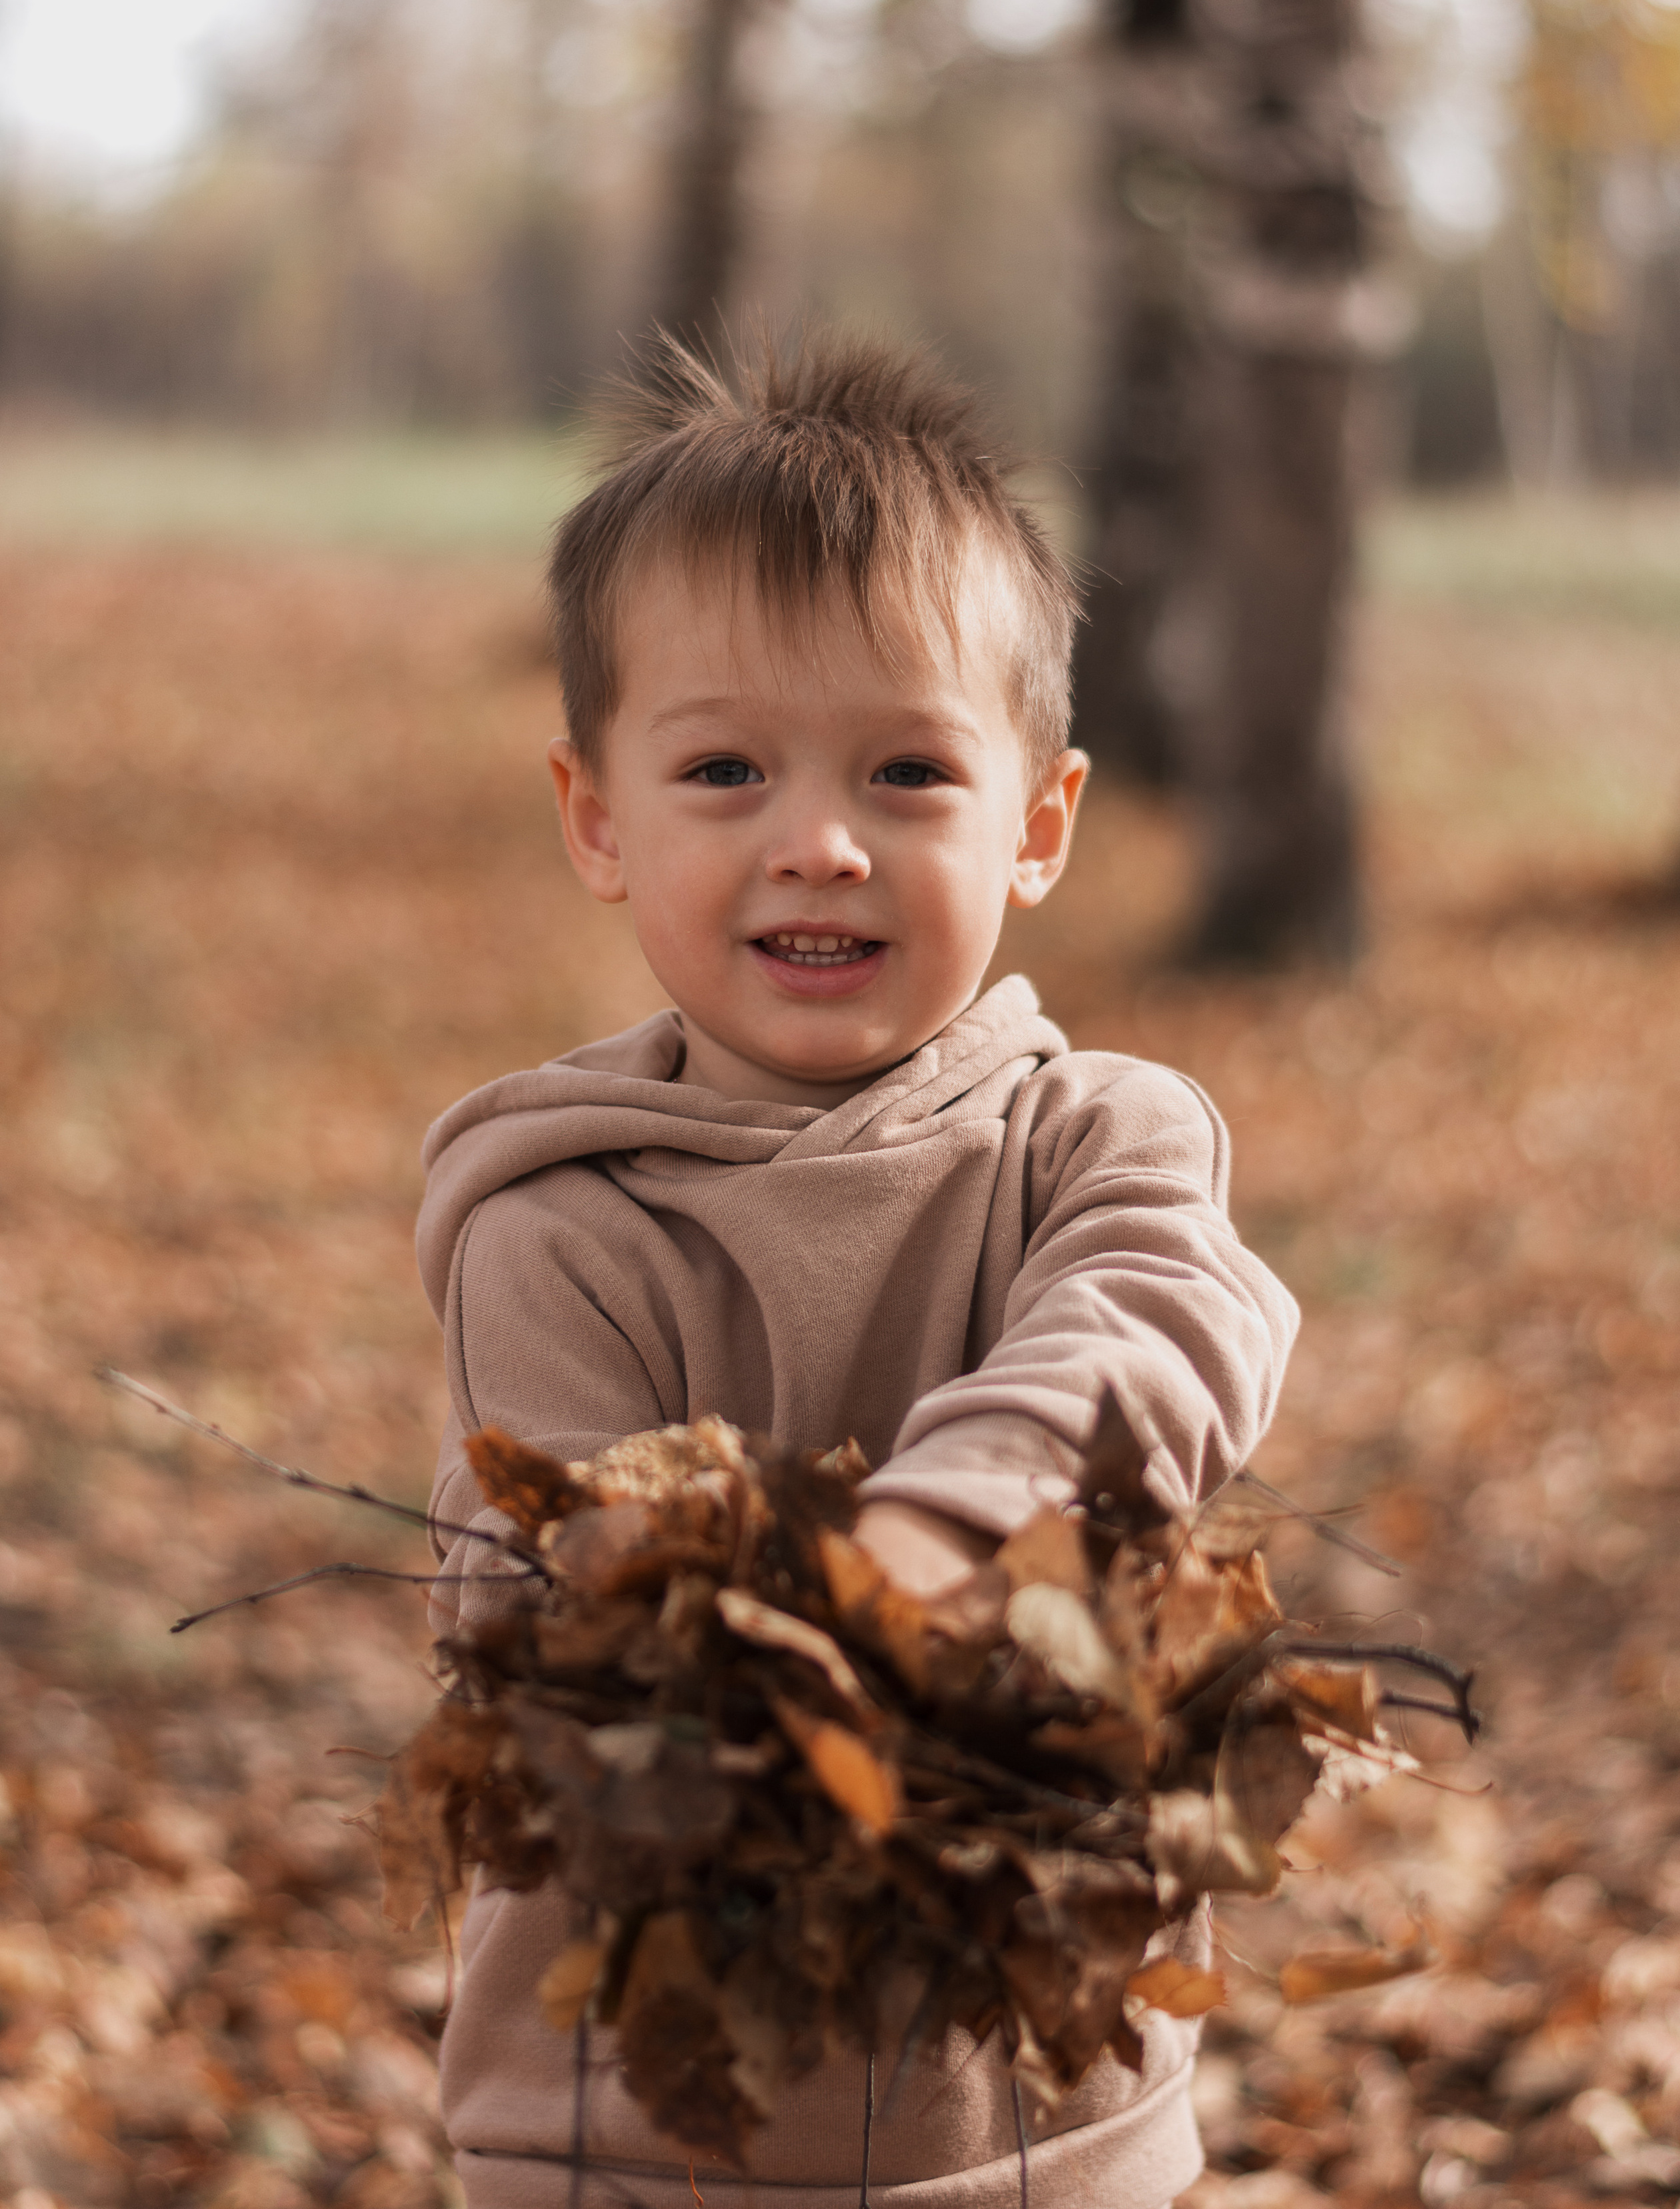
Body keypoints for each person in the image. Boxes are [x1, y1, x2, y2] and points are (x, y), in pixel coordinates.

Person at [415, 331, 1298, 2209]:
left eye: (908, 772)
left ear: (1039, 822)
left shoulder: (1101, 1139)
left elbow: (1154, 1324)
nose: (819, 843)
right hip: (640, 2136)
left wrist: (940, 1533)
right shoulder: (558, 1226)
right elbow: (563, 1625)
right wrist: (801, 1653)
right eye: (724, 769)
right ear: (597, 817)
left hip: (1042, 2121)